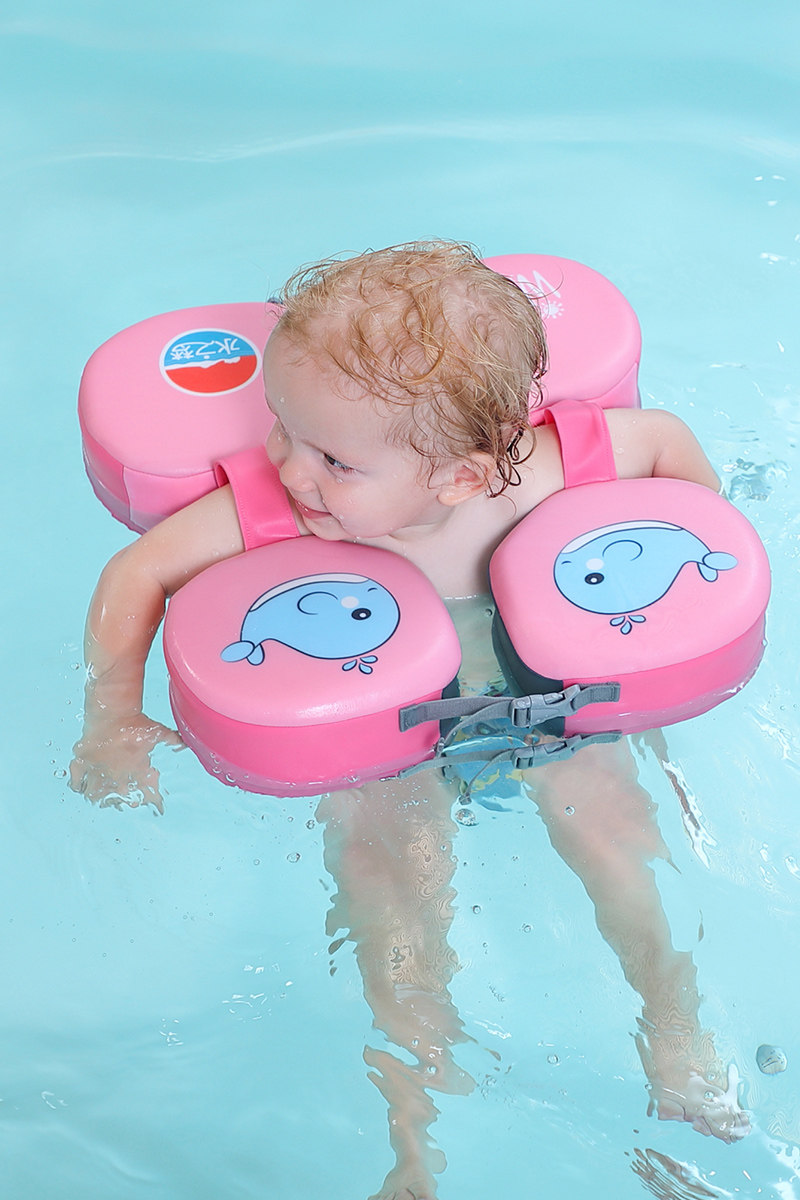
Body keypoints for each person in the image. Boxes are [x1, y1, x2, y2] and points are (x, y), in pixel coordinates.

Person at [70, 241, 749, 1198]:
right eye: (283, 429)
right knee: (392, 882)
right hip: (381, 737)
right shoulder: (283, 508)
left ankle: (675, 1036)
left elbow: (666, 442)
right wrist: (111, 717)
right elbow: (135, 572)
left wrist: (695, 570)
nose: (287, 469)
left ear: (463, 478)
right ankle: (414, 1134)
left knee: (615, 838)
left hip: (550, 703)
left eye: (334, 459)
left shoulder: (560, 468)